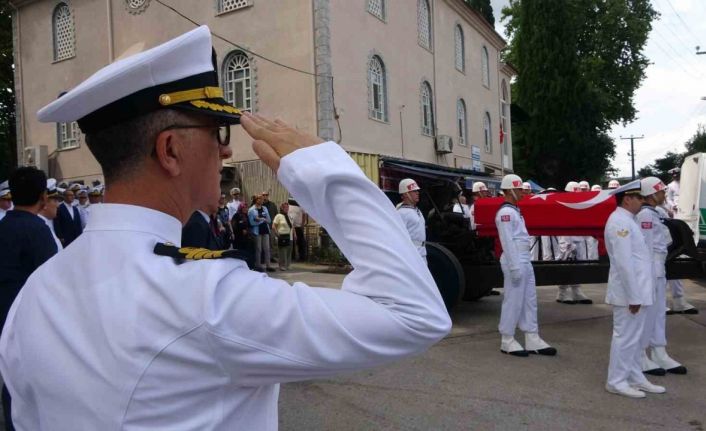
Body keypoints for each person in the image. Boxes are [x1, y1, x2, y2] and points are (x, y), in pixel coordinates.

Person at [0, 26, 450, 430]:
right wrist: (322, 168)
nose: (227, 152)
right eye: (218, 133)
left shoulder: (36, 293)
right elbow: (413, 313)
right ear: (170, 150)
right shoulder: (204, 297)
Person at [0, 167, 59, 429]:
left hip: (4, 312)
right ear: (43, 197)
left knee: (9, 378)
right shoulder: (37, 230)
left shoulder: (4, 225)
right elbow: (51, 279)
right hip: (27, 317)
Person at [604, 180, 665, 398]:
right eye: (639, 198)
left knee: (635, 338)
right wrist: (634, 296)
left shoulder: (628, 220)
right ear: (627, 199)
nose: (642, 201)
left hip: (637, 292)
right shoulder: (620, 222)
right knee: (625, 337)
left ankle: (634, 376)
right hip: (629, 294)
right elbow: (623, 262)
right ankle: (616, 380)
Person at [496, 174, 556, 357]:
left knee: (529, 299)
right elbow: (507, 241)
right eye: (519, 189)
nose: (523, 192)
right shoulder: (506, 213)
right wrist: (514, 267)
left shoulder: (514, 211)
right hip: (515, 259)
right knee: (513, 300)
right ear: (510, 191)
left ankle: (532, 337)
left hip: (524, 258)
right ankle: (507, 339)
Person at [637, 177, 687, 376]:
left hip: (658, 269)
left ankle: (659, 352)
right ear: (651, 194)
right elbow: (645, 248)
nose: (664, 194)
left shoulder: (654, 214)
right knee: (646, 315)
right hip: (650, 270)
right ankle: (640, 356)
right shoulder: (646, 216)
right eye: (661, 192)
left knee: (658, 313)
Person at [556, 181, 593, 305]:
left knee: (579, 266)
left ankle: (577, 291)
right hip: (567, 239)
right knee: (565, 265)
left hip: (580, 239)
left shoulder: (581, 206)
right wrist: (567, 243)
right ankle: (562, 293)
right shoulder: (563, 206)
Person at [397, 178, 427, 261]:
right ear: (406, 194)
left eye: (417, 191)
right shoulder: (401, 213)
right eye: (414, 191)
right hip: (411, 254)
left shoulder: (417, 210)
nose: (417, 193)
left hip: (422, 252)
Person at [249, 194, 275, 272]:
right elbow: (252, 223)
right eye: (259, 199)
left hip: (265, 230)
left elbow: (269, 220)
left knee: (267, 248)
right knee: (258, 249)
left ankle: (268, 265)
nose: (261, 200)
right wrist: (262, 220)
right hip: (257, 231)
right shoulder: (251, 210)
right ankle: (258, 265)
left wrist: (261, 219)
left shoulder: (264, 208)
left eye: (262, 199)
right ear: (255, 200)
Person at [37, 179, 64, 251]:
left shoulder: (46, 223)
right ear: (45, 204)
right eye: (55, 201)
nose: (58, 205)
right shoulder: (40, 228)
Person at [273, 202, 295, 271]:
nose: (287, 209)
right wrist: (277, 234)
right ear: (282, 208)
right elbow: (274, 226)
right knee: (282, 251)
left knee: (289, 251)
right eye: (285, 207)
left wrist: (295, 234)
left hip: (289, 236)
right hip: (282, 236)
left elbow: (292, 226)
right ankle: (281, 265)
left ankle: (288, 265)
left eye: (287, 207)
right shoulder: (278, 216)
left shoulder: (289, 216)